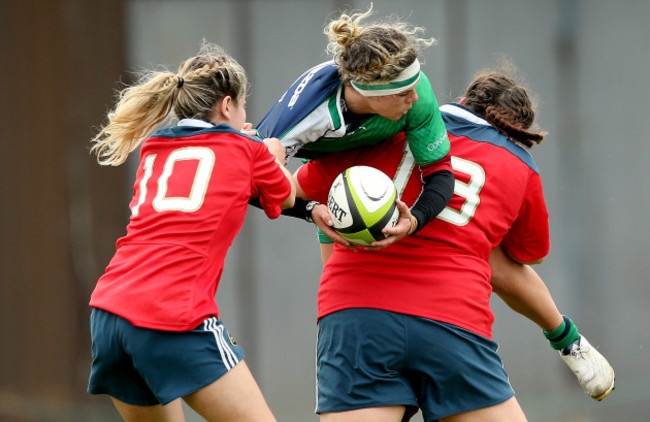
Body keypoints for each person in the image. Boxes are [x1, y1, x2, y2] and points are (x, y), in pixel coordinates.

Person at [294, 71, 613, 421]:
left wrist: (318, 216)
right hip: (452, 323)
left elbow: (296, 189)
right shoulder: (519, 165)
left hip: (356, 316)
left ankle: (568, 339)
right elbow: (525, 257)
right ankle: (569, 341)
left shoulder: (386, 125)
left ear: (463, 101)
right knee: (486, 252)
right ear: (518, 132)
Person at [86, 42, 295, 422]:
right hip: (171, 317)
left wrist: (248, 147)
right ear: (228, 105)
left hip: (109, 313)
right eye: (243, 105)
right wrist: (273, 154)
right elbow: (285, 194)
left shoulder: (153, 147)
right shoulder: (249, 149)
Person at [254, 5, 454, 245]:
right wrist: (309, 210)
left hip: (381, 151)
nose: (415, 97)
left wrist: (414, 221)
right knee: (336, 275)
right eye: (403, 93)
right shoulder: (305, 114)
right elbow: (251, 183)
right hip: (330, 168)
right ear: (372, 93)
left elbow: (440, 172)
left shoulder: (416, 90)